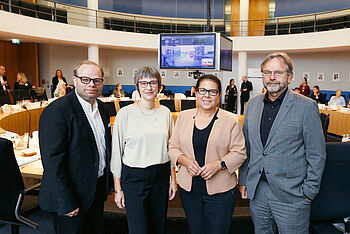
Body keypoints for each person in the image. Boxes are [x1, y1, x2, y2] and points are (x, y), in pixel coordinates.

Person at [239, 52, 326, 234]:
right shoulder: (252, 105)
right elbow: (248, 147)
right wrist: (244, 179)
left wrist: (308, 193)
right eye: (267, 72)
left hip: (293, 195)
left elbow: (316, 154)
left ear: (289, 76)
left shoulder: (306, 107)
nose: (272, 78)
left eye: (278, 72)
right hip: (258, 192)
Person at [38, 61, 112, 234]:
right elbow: (53, 164)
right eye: (85, 79)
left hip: (95, 189)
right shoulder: (57, 111)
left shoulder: (101, 107)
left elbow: (102, 147)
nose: (91, 85)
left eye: (97, 80)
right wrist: (66, 202)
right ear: (74, 80)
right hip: (71, 195)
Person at [169, 75, 247, 234]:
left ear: (219, 95)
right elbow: (172, 147)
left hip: (221, 192)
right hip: (189, 191)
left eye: (212, 91)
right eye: (202, 90)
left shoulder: (230, 120)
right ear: (196, 93)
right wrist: (185, 161)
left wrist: (218, 165)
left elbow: (240, 153)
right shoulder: (183, 117)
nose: (207, 95)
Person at [111, 66, 177, 234]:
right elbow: (116, 154)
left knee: (158, 226)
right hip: (134, 178)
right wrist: (118, 189)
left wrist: (173, 180)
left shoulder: (165, 113)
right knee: (138, 229)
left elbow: (171, 148)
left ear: (159, 86)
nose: (148, 87)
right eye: (144, 83)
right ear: (137, 86)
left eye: (153, 83)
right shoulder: (125, 114)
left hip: (160, 177)